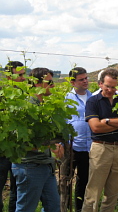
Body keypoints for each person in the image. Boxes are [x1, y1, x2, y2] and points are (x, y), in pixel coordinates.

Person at [11, 67, 60, 212]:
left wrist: (56, 141)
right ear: (38, 84)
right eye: (50, 82)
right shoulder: (28, 106)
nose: (53, 86)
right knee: (26, 208)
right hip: (29, 166)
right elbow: (22, 141)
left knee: (53, 207)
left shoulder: (44, 106)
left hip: (45, 164)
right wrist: (51, 145)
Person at [82, 68, 118, 212]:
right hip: (101, 148)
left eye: (114, 87)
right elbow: (95, 127)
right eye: (107, 86)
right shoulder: (93, 101)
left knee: (113, 192)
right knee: (93, 191)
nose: (110, 90)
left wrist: (105, 121)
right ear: (100, 84)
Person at [66, 67, 92, 212]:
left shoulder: (93, 97)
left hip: (89, 147)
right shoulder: (66, 98)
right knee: (66, 180)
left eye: (86, 78)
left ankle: (79, 209)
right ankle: (65, 207)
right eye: (81, 79)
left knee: (83, 181)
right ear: (72, 82)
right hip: (71, 146)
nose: (85, 81)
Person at [0, 61, 25, 212]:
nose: (23, 78)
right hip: (2, 151)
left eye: (24, 74)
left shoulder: (27, 96)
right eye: (19, 75)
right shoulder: (1, 94)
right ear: (9, 76)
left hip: (20, 151)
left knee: (18, 191)